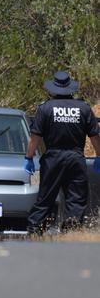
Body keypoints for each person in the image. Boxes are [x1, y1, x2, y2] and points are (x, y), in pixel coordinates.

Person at [24, 71, 100, 235]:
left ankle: (35, 229)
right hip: (75, 158)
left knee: (45, 197)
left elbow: (35, 138)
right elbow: (95, 137)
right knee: (76, 197)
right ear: (70, 89)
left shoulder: (45, 108)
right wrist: (99, 156)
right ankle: (71, 226)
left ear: (53, 89)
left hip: (53, 158)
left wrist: (28, 158)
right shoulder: (84, 108)